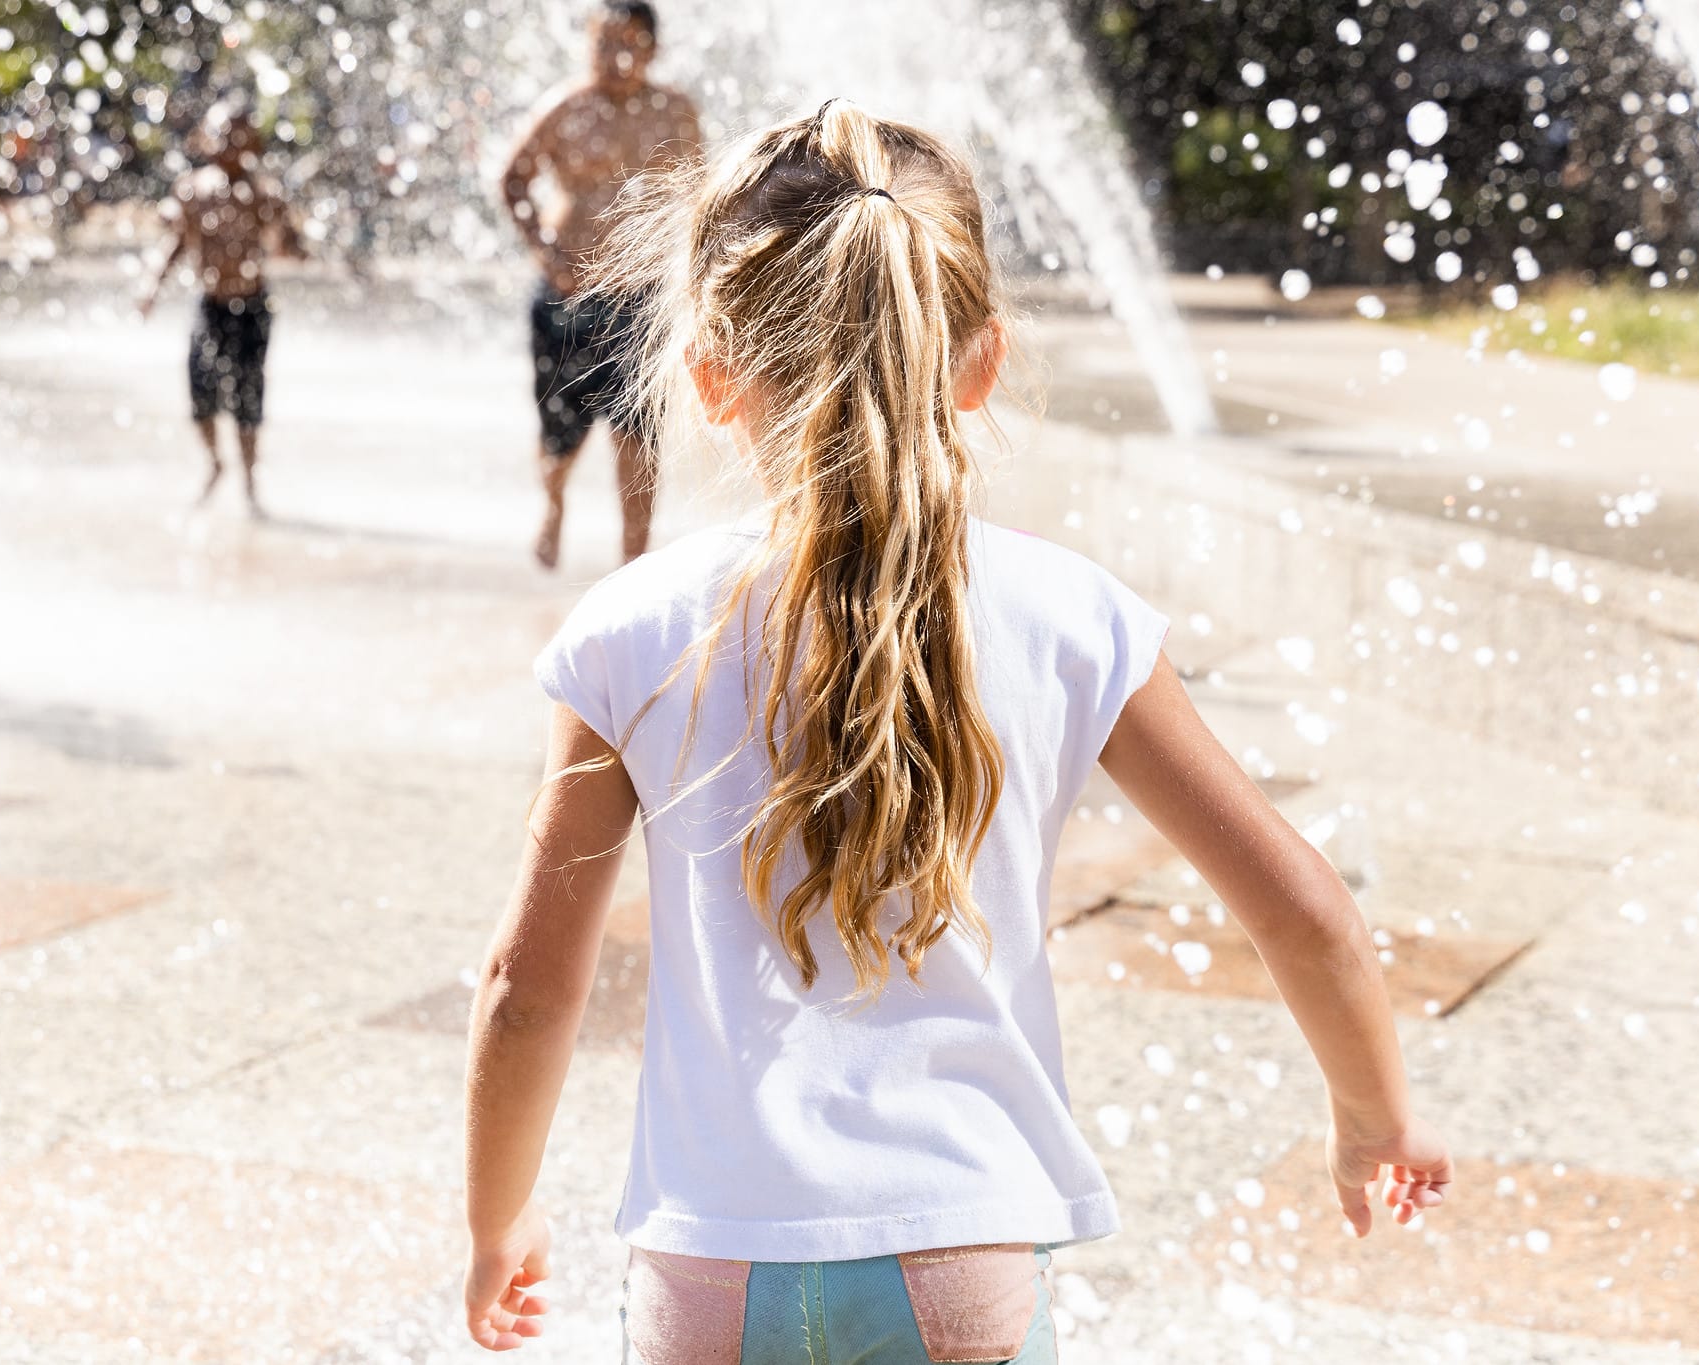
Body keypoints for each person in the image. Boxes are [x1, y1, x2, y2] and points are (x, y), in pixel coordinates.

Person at [461, 102, 1454, 1360]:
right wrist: (1371, 1118)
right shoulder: (1067, 615)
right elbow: (1300, 909)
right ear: (979, 360)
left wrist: (496, 1227)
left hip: (706, 1261)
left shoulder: (631, 632)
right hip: (960, 1251)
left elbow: (526, 989)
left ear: (712, 379)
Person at [498, 0, 701, 569]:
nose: (615, 56)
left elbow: (700, 200)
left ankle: (633, 564)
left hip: (643, 298)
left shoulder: (675, 113)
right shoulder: (567, 108)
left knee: (639, 436)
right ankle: (554, 502)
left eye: (630, 43)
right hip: (569, 296)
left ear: (653, 49)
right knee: (560, 433)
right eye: (603, 43)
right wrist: (548, 255)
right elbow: (512, 180)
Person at [141, 97, 303, 513]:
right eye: (223, 132)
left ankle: (250, 483)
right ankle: (216, 463)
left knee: (249, 395)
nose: (230, 140)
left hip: (252, 307)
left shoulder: (263, 192)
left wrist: (292, 237)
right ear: (207, 139)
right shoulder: (193, 190)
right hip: (210, 304)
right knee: (200, 392)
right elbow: (176, 241)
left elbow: (292, 246)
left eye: (239, 132)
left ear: (253, 140)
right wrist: (152, 285)